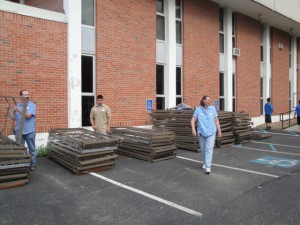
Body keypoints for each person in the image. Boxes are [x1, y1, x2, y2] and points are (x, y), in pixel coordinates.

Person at [191, 95, 222, 174]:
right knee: (203, 149)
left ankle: (208, 167)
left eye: (210, 100)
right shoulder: (198, 110)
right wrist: (193, 129)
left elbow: (216, 120)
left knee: (208, 149)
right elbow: (193, 120)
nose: (209, 101)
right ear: (204, 100)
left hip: (211, 132)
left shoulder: (212, 109)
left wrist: (219, 130)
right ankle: (205, 162)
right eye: (208, 100)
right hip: (201, 133)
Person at [9, 90, 37, 171]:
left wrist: (18, 110)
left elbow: (28, 115)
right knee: (20, 148)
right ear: (21, 96)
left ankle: (33, 164)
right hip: (19, 131)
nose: (27, 96)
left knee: (31, 148)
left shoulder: (32, 105)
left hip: (29, 131)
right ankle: (21, 163)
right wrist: (10, 110)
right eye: (25, 95)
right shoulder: (18, 105)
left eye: (28, 94)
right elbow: (13, 118)